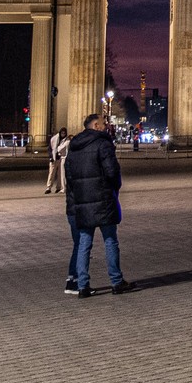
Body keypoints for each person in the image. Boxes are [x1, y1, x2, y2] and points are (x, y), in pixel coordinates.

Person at [66, 112, 131, 296]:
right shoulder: (103, 143)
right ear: (95, 125)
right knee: (110, 241)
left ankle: (83, 286)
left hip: (83, 202)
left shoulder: (74, 146)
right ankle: (116, 282)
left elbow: (69, 176)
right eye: (103, 123)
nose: (106, 125)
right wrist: (114, 189)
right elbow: (112, 172)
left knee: (84, 243)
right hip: (103, 200)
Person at [44, 125, 70, 194]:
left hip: (61, 158)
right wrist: (51, 157)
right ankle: (48, 187)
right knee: (51, 173)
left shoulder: (66, 140)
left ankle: (59, 187)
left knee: (60, 174)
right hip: (54, 158)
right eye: (62, 133)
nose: (63, 134)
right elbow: (50, 148)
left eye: (64, 133)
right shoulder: (54, 139)